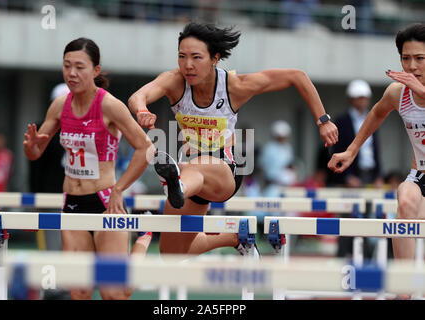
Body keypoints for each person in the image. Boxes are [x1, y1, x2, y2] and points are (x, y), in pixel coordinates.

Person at [128, 22, 338, 258]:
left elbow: (297, 77)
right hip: (189, 177)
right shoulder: (174, 81)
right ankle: (234, 237)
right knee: (172, 252)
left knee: (193, 167)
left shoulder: (234, 86)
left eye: (196, 57)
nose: (188, 65)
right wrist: (142, 110)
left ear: (215, 58)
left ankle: (176, 183)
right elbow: (139, 95)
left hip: (225, 169)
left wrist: (323, 121)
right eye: (182, 56)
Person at [23, 37, 155, 300]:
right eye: (66, 66)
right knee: (79, 291)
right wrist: (31, 147)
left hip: (106, 201)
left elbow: (146, 149)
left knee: (114, 293)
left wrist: (119, 189)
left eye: (79, 67)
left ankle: (143, 239)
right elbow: (36, 153)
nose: (72, 73)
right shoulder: (60, 106)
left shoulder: (109, 105)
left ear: (96, 70)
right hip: (72, 202)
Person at [328, 23, 425, 264]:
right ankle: (404, 288)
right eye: (406, 58)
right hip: (420, 174)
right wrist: (351, 151)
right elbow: (376, 113)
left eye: (420, 58)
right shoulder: (397, 93)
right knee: (405, 198)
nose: (412, 66)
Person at [329, 79, 384, 188]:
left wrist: (378, 175)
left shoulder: (372, 118)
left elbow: (375, 148)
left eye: (365, 98)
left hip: (371, 174)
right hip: (351, 175)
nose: (363, 101)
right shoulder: (342, 121)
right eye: (359, 98)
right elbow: (337, 149)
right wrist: (347, 177)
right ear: (351, 99)